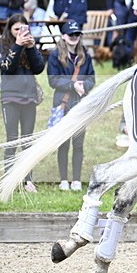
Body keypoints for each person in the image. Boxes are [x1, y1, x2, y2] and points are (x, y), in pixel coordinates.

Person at [0, 14, 46, 193]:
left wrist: (31, 48)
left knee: (27, 140)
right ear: (10, 30)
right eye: (17, 29)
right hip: (10, 99)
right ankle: (9, 179)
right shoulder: (2, 46)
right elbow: (7, 68)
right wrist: (17, 45)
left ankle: (28, 180)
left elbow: (39, 68)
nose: (21, 33)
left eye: (24, 29)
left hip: (29, 98)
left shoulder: (30, 46)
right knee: (11, 140)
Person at [48, 21, 96, 191]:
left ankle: (76, 179)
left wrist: (84, 86)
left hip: (80, 103)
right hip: (64, 103)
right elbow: (53, 80)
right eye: (71, 34)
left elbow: (92, 78)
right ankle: (63, 179)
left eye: (77, 34)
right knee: (63, 143)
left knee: (78, 144)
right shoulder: (55, 56)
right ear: (63, 36)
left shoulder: (86, 56)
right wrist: (72, 85)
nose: (74, 37)